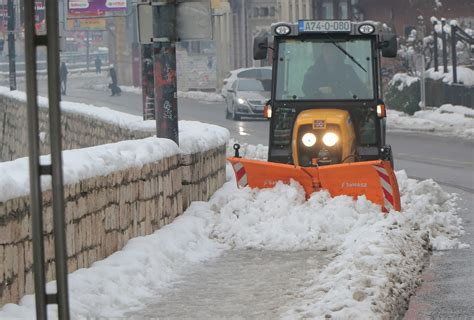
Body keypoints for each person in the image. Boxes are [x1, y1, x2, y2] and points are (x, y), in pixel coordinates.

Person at [301, 44, 369, 99]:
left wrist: (366, 90)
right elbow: (306, 88)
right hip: (318, 105)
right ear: (323, 54)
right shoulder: (313, 71)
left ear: (337, 54)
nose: (330, 55)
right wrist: (319, 90)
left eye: (333, 52)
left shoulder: (347, 71)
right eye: (327, 52)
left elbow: (358, 88)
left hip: (344, 105)